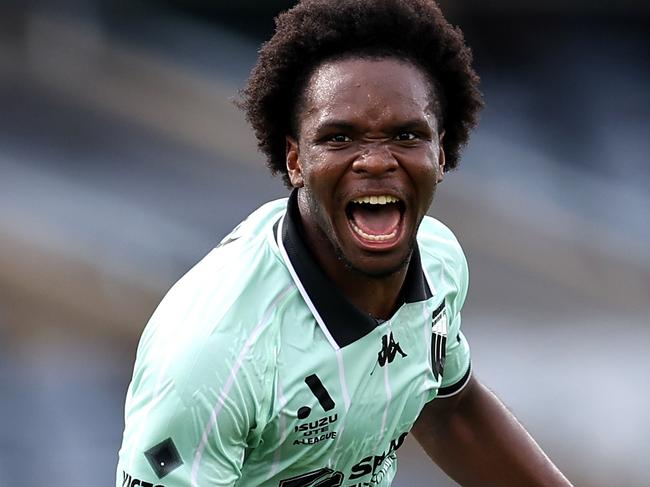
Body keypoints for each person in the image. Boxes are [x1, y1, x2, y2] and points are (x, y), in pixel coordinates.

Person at [116, 0, 573, 485]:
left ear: (441, 153)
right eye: (339, 138)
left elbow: (449, 409)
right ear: (295, 160)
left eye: (405, 134)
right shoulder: (214, 356)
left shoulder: (439, 260)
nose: (376, 161)